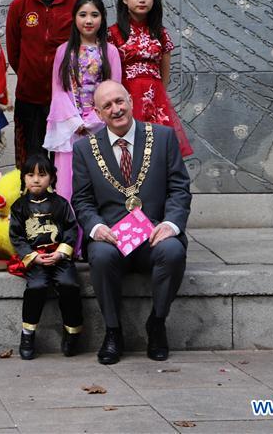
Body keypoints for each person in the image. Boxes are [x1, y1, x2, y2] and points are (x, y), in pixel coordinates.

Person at [72, 80, 190, 364]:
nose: (116, 109)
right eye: (107, 106)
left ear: (131, 101)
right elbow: (83, 200)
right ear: (98, 114)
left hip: (154, 236)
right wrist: (97, 227)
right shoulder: (85, 149)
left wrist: (171, 224)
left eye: (119, 101)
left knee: (173, 251)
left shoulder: (162, 137)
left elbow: (179, 188)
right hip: (113, 240)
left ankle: (157, 324)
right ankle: (113, 332)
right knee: (98, 255)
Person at [44, 0, 122, 252]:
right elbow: (58, 90)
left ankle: (94, 242)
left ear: (102, 18)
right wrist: (74, 120)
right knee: (66, 186)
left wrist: (93, 120)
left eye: (94, 15)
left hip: (99, 126)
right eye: (83, 14)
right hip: (69, 128)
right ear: (75, 18)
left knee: (97, 185)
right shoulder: (62, 52)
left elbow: (114, 89)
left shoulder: (109, 52)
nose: (88, 20)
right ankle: (69, 244)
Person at [5, 0, 80, 168]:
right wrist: (31, 75)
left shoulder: (77, 3)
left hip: (67, 100)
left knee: (64, 163)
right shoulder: (19, 6)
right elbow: (14, 53)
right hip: (30, 98)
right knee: (31, 164)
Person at [8, 155, 83, 360]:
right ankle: (28, 334)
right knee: (37, 287)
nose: (36, 179)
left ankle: (72, 332)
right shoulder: (19, 206)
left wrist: (61, 253)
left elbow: (70, 230)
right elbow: (16, 236)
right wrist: (33, 257)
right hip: (36, 260)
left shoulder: (60, 204)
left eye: (42, 174)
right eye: (30, 174)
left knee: (69, 284)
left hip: (59, 256)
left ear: (51, 178)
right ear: (23, 178)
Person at [108, 0, 193, 157]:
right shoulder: (112, 34)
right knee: (129, 152)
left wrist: (157, 96)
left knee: (157, 153)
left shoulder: (160, 33)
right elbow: (109, 76)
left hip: (155, 99)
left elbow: (165, 75)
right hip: (126, 99)